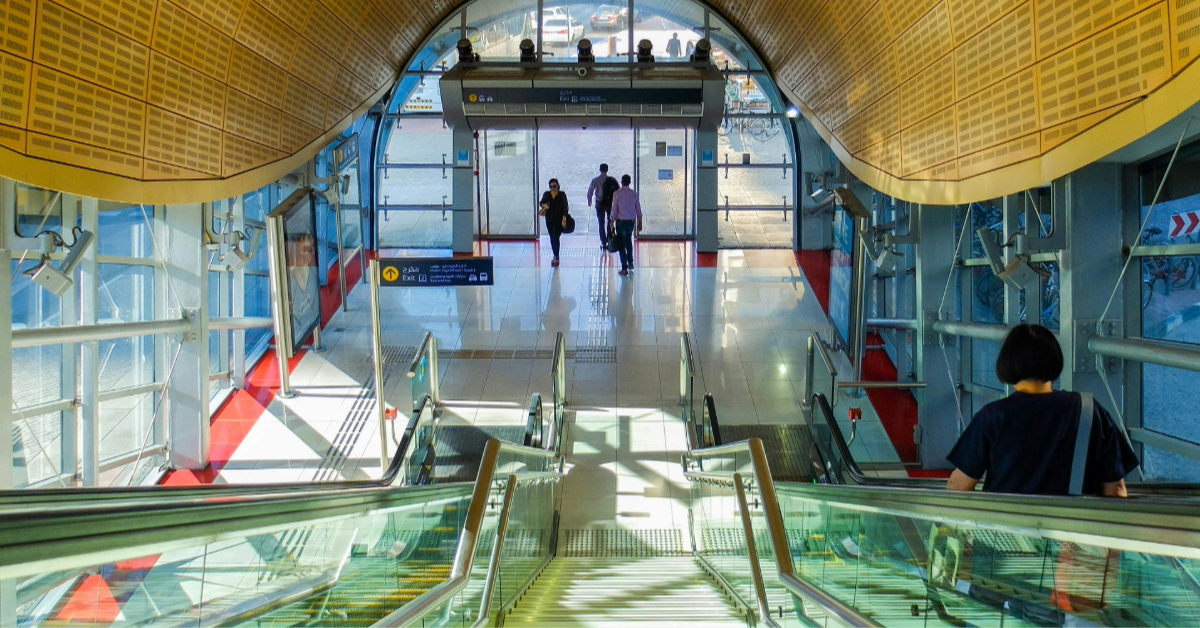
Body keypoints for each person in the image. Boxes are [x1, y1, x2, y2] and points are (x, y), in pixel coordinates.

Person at [945, 324, 1139, 497]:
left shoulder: (992, 416)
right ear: (1056, 361)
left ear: (1007, 364)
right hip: (1073, 521)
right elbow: (1115, 490)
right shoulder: (1088, 409)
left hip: (1008, 520)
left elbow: (960, 486)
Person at [609, 174, 642, 275]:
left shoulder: (617, 194)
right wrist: (640, 221)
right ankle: (630, 262)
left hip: (621, 221)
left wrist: (612, 221)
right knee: (628, 241)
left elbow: (614, 209)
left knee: (621, 244)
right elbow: (638, 208)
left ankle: (624, 267)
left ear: (621, 182)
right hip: (630, 222)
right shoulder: (634, 194)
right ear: (630, 182)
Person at [586, 164, 620, 250]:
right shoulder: (612, 180)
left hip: (599, 203)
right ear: (607, 170)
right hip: (610, 203)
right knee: (610, 221)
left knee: (601, 223)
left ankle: (603, 242)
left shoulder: (595, 180)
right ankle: (610, 239)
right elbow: (618, 191)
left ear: (600, 170)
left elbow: (590, 191)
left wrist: (589, 200)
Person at [539, 178, 570, 267]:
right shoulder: (547, 194)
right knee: (552, 237)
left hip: (559, 220)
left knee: (555, 237)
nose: (552, 188)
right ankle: (555, 255)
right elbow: (541, 203)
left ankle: (556, 256)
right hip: (549, 219)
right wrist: (544, 205)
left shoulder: (562, 195)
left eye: (554, 186)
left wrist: (564, 219)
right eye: (551, 187)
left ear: (558, 186)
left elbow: (565, 207)